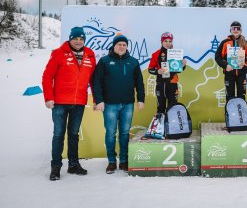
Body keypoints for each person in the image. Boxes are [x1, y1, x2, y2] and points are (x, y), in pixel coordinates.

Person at [42, 26, 96, 181]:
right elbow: (47, 76)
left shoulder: (90, 55)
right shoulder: (59, 53)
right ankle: (56, 168)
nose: (78, 41)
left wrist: (97, 99)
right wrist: (48, 97)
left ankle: (73, 165)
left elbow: (93, 80)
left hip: (79, 102)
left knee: (73, 134)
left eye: (81, 39)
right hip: (59, 102)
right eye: (75, 38)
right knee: (58, 135)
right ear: (70, 38)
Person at [93, 33, 145, 174]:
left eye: (124, 45)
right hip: (109, 104)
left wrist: (141, 99)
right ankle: (111, 161)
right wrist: (99, 100)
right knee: (110, 133)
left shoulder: (133, 62)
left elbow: (139, 83)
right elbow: (96, 82)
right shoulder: (104, 61)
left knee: (124, 133)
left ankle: (123, 160)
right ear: (114, 46)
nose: (121, 47)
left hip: (128, 104)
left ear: (126, 47)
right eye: (119, 44)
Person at [215, 21, 247, 101]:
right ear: (230, 30)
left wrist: (246, 66)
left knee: (241, 96)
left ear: (241, 30)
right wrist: (225, 65)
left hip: (241, 74)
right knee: (229, 96)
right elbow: (218, 56)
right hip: (229, 74)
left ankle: (242, 113)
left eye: (238, 28)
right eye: (234, 28)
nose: (236, 30)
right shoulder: (225, 43)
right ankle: (229, 113)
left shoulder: (246, 43)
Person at [148, 32, 186, 114]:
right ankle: (160, 126)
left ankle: (172, 126)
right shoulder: (156, 54)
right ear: (161, 42)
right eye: (166, 41)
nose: (168, 43)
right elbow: (150, 69)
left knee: (173, 108)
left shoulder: (176, 53)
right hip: (161, 84)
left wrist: (183, 65)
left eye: (170, 41)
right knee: (160, 108)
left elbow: (179, 70)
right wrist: (158, 71)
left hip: (173, 84)